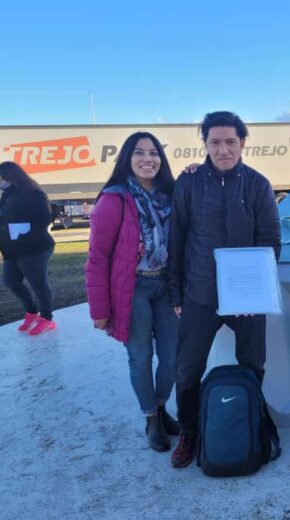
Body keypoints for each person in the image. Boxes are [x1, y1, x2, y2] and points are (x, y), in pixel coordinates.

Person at [168, 111, 281, 468]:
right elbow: (177, 239)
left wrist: (256, 293)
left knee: (253, 364)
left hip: (246, 298)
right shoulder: (188, 183)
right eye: (214, 142)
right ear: (205, 144)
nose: (223, 149)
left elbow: (270, 243)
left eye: (230, 141)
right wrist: (176, 294)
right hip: (200, 295)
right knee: (186, 371)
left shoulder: (259, 185)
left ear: (243, 142)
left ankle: (248, 422)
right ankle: (190, 432)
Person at [85, 132, 180, 453]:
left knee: (171, 358)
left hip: (167, 286)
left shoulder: (173, 194)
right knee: (140, 357)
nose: (147, 159)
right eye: (139, 153)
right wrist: (99, 309)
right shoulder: (114, 199)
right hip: (133, 289)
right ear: (127, 158)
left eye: (154, 152)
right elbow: (97, 256)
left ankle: (162, 404)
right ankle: (151, 416)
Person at [0, 161, 56, 336]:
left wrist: (24, 232)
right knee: (11, 282)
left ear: (11, 176)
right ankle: (32, 312)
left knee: (38, 283)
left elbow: (44, 220)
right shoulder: (7, 194)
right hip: (12, 250)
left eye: (0, 177)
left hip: (34, 248)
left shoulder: (33, 194)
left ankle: (47, 319)